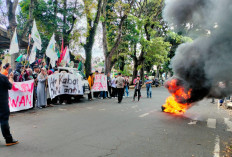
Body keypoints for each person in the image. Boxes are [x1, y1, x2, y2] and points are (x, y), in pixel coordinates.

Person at [0, 60, 19, 146]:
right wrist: (11, 78)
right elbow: (10, 86)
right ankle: (8, 139)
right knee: (4, 120)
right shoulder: (2, 77)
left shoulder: (3, 77)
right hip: (2, 102)